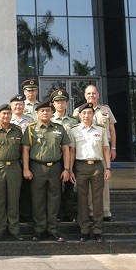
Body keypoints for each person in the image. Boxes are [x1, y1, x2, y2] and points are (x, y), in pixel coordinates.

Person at [22, 100, 70, 242]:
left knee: (54, 199)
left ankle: (53, 229)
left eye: (48, 111)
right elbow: (25, 149)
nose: (45, 113)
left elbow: (66, 149)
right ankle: (39, 229)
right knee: (38, 200)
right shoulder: (31, 128)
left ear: (52, 112)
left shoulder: (59, 128)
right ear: (37, 113)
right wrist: (26, 168)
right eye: (42, 111)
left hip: (56, 167)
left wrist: (67, 169)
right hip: (37, 167)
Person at [73, 85, 117, 222]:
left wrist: (113, 148)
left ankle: (105, 211)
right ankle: (91, 211)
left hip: (102, 150)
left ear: (98, 95)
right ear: (84, 95)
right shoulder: (78, 111)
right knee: (86, 184)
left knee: (103, 182)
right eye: (88, 93)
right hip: (86, 151)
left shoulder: (106, 110)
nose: (91, 95)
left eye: (93, 93)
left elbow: (112, 129)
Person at [69, 103, 112, 243]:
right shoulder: (74, 130)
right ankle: (84, 230)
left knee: (97, 200)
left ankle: (98, 230)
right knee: (82, 200)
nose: (87, 115)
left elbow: (106, 149)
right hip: (80, 167)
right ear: (80, 115)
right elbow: (71, 151)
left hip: (97, 166)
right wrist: (70, 170)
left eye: (89, 113)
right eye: (84, 113)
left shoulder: (100, 129)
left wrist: (108, 168)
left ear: (93, 114)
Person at [0, 104, 24, 242]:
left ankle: (14, 230)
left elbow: (22, 150)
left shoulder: (17, 131)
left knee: (14, 200)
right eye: (4, 114)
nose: (6, 116)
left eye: (8, 113)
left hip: (14, 167)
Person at [50, 89, 79, 223]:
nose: (60, 104)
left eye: (62, 102)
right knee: (55, 187)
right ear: (53, 104)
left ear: (67, 103)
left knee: (69, 186)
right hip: (54, 156)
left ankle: (70, 213)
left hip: (70, 156)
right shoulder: (49, 120)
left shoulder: (73, 121)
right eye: (57, 102)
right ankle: (58, 214)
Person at [9, 93, 34, 223]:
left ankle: (25, 214)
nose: (18, 106)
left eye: (20, 104)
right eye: (16, 104)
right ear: (11, 106)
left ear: (24, 106)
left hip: (27, 157)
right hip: (12, 157)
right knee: (13, 189)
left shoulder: (30, 120)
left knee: (25, 188)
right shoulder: (7, 119)